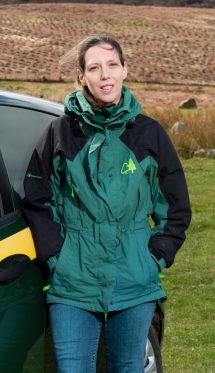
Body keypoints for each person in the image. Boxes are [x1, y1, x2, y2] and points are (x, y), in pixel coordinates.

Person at [22, 35, 192, 372]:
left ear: (125, 70)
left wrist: (153, 257)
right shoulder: (59, 133)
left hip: (134, 281)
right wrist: (58, 258)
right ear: (81, 77)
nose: (105, 75)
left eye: (113, 65)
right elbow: (38, 199)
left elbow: (176, 208)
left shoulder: (149, 134)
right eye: (95, 68)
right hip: (73, 286)